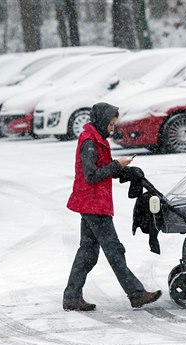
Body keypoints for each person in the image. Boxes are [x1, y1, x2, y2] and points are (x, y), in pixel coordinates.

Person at [63, 102, 162, 311]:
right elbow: (92, 175)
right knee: (114, 250)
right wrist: (117, 166)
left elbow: (102, 170)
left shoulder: (97, 140)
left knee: (87, 252)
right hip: (93, 204)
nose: (112, 129)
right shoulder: (90, 143)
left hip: (93, 202)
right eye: (110, 124)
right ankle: (135, 293)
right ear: (100, 121)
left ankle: (72, 297)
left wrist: (125, 171)